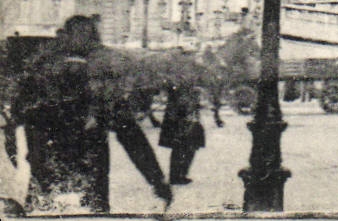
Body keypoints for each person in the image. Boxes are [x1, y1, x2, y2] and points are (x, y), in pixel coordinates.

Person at [12, 16, 171, 213]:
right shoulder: (101, 81)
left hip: (50, 176)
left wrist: (35, 157)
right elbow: (132, 136)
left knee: (43, 206)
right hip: (89, 175)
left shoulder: (44, 66)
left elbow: (25, 115)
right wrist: (157, 181)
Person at [157, 77, 215, 185]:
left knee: (190, 148)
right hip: (179, 120)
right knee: (180, 148)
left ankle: (181, 174)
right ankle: (176, 176)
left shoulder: (191, 89)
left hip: (189, 119)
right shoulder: (178, 87)